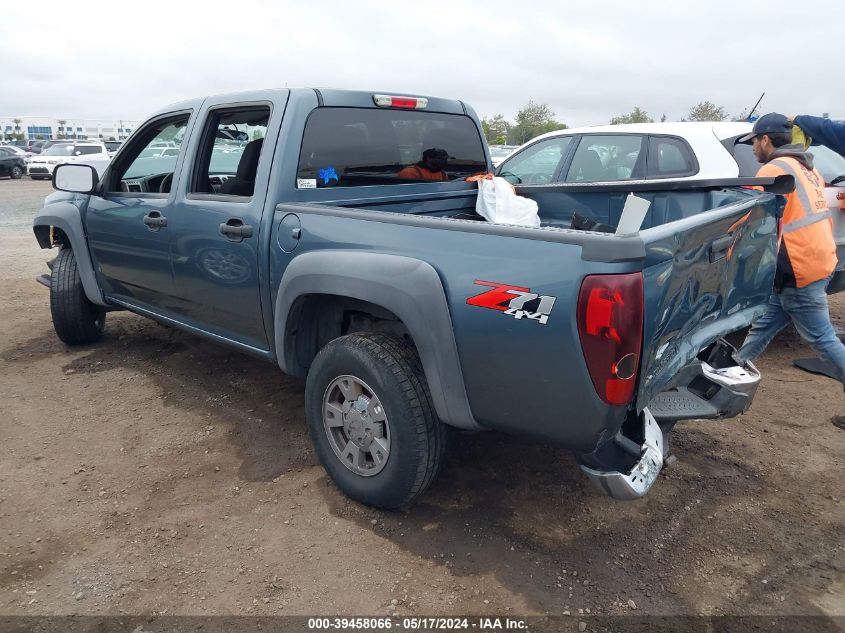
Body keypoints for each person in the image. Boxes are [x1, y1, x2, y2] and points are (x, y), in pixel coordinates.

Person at [734, 113, 845, 428]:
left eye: (754, 141)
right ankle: (734, 369)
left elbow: (745, 217)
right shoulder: (806, 166)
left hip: (798, 268)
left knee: (823, 338)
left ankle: (734, 369)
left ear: (765, 140)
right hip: (818, 260)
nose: (754, 147)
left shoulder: (772, 169)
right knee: (764, 324)